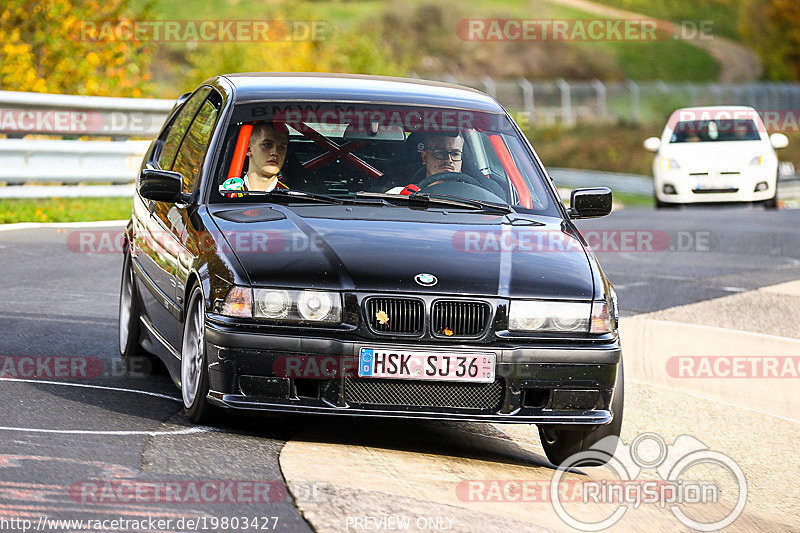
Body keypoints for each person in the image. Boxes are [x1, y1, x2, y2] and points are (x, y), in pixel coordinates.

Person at [221, 121, 289, 197]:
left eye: (282, 148)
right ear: (249, 150)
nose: (275, 152)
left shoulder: (291, 199)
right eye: (267, 145)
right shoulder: (224, 195)